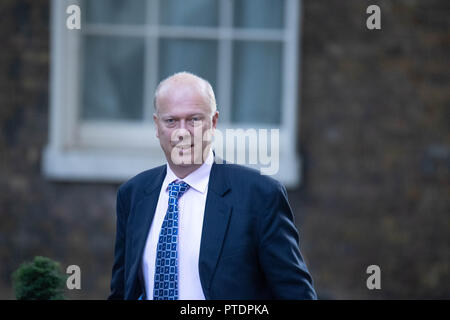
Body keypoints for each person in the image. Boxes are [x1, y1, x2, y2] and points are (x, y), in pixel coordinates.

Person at [108, 72, 316, 300]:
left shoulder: (259, 196)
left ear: (213, 122)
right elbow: (121, 291)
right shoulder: (133, 194)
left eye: (194, 119)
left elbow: (296, 293)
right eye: (171, 121)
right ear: (157, 126)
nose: (182, 132)